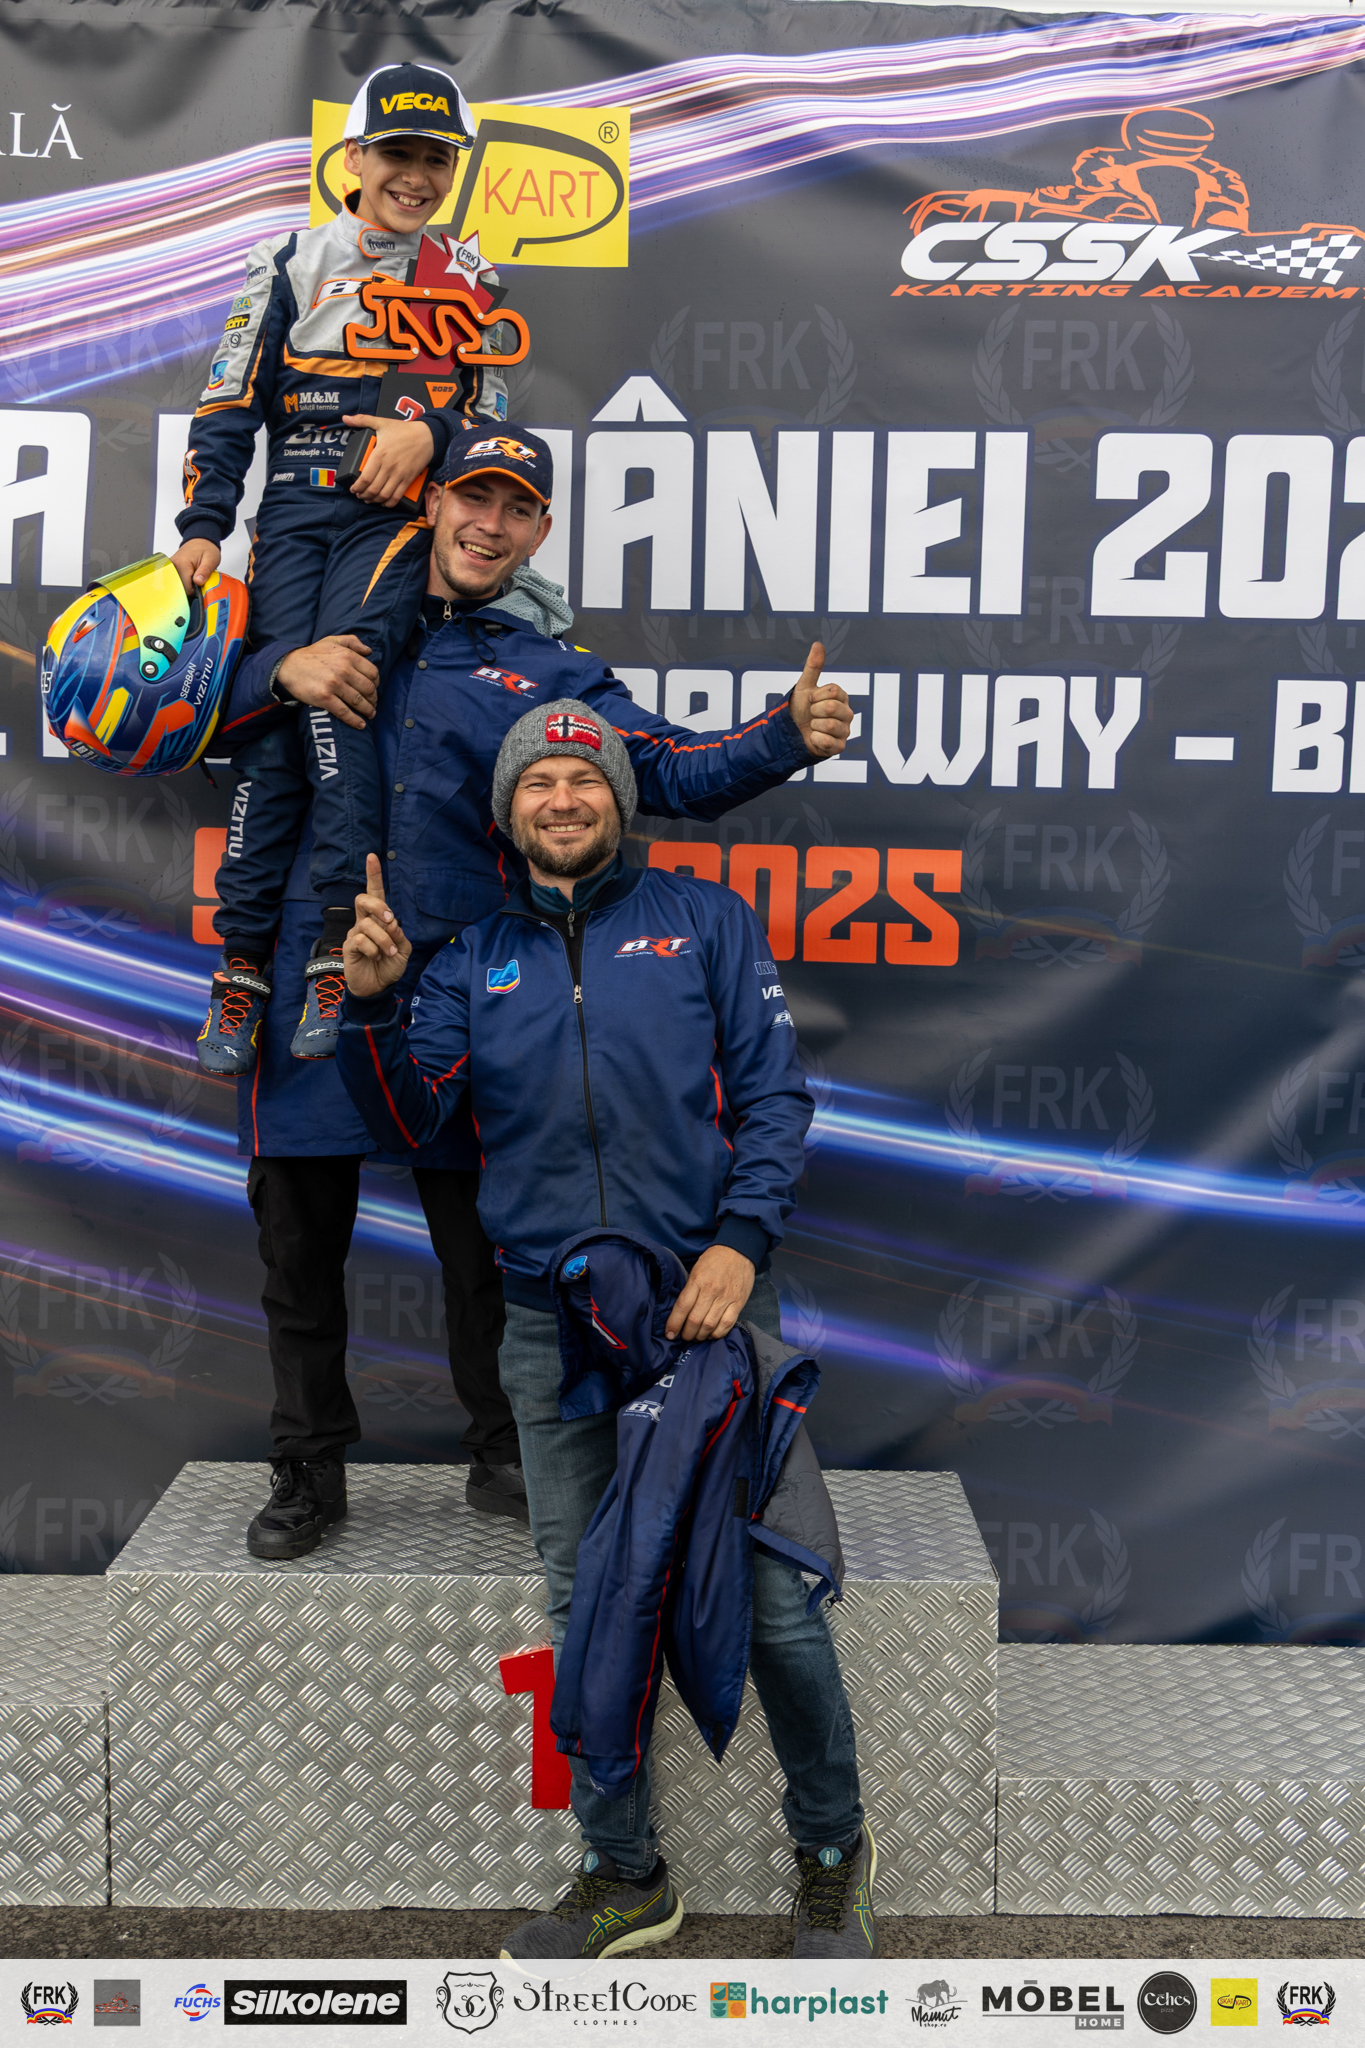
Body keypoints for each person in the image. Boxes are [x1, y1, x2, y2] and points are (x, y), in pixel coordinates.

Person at [210, 425, 854, 1559]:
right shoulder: (326, 616)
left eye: (516, 509)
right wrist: (279, 671)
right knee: (297, 1242)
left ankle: (504, 1447)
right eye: (474, 498)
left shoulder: (546, 669)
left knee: (480, 1248)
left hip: (472, 983)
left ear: (540, 531)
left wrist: (781, 740)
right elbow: (168, 712)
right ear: (432, 502)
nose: (489, 524)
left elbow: (667, 769)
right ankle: (306, 1464)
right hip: (325, 969)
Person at [336, 706, 876, 1961]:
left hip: (708, 1310)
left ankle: (833, 1852)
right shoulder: (470, 959)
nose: (564, 798)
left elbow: (776, 1098)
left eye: (586, 776)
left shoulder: (707, 920)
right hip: (552, 1325)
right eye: (540, 780)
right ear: (509, 809)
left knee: (773, 1600)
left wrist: (740, 1243)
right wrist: (371, 1009)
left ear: (620, 799)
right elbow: (413, 1122)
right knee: (592, 1604)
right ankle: (625, 1871)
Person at [170, 61, 520, 1071]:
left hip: (395, 520)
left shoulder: (470, 278)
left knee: (341, 694)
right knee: (280, 714)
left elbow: (492, 424)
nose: (416, 175)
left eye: (436, 159)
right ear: (355, 157)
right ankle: (241, 966)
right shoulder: (286, 259)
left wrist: (432, 434)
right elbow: (228, 399)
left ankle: (336, 943)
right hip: (292, 506)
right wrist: (204, 521)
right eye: (397, 153)